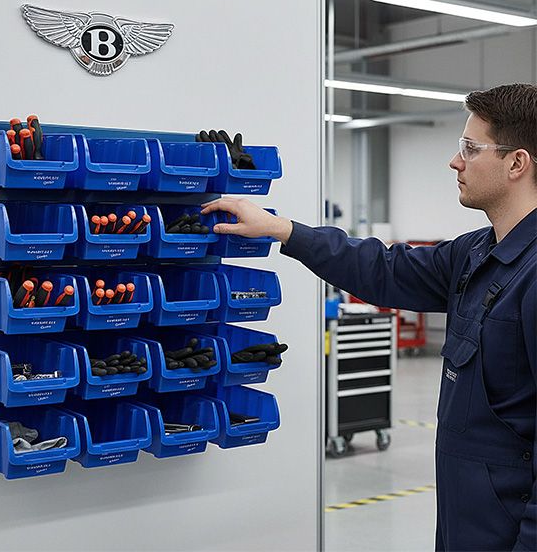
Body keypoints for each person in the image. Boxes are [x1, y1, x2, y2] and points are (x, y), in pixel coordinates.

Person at [201, 83, 536, 552]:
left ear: (517, 163)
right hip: (469, 520)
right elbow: (384, 268)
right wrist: (284, 231)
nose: (455, 161)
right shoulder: (477, 252)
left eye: (469, 148)